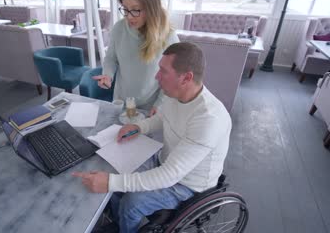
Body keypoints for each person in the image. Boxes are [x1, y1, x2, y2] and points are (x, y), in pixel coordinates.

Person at [73, 42, 232, 233]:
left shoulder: (208, 119)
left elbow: (170, 175)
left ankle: (124, 225)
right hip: (166, 161)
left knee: (131, 203)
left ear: (186, 78)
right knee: (116, 167)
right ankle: (118, 219)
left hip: (188, 184)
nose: (157, 77)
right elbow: (162, 117)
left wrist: (110, 182)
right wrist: (139, 127)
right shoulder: (177, 95)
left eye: (163, 71)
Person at [92, 0, 179, 116]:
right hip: (121, 102)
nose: (129, 17)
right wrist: (108, 75)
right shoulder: (119, 28)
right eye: (125, 9)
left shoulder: (169, 36)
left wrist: (160, 104)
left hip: (149, 107)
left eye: (135, 10)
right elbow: (111, 59)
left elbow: (172, 77)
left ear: (151, 8)